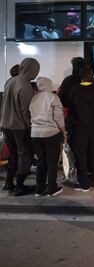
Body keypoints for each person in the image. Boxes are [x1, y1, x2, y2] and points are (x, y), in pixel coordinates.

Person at [0, 58, 40, 195]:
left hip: (6, 124)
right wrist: (31, 127)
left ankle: (8, 182)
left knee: (13, 154)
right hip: (19, 127)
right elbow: (26, 111)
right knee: (25, 154)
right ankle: (20, 186)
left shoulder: (10, 81)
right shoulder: (25, 86)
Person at [67, 66, 94, 192]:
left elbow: (69, 106)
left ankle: (84, 183)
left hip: (79, 127)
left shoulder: (74, 89)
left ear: (80, 76)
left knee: (81, 154)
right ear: (91, 75)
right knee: (93, 152)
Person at [29, 77, 65, 196]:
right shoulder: (53, 97)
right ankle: (51, 188)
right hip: (51, 133)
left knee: (41, 161)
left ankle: (39, 188)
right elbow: (58, 117)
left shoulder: (33, 98)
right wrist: (63, 131)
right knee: (52, 161)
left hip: (35, 134)